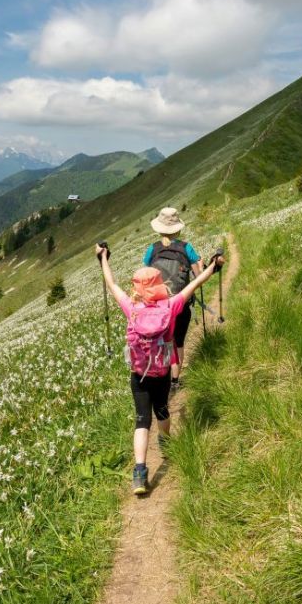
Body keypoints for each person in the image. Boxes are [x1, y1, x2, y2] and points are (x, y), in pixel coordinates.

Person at [96, 242, 223, 495]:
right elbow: (194, 285)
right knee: (162, 411)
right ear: (159, 285)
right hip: (162, 374)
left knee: (142, 420)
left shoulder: (131, 308)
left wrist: (103, 258)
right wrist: (214, 265)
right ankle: (165, 443)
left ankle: (140, 471)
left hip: (138, 376)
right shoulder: (170, 306)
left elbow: (111, 285)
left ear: (137, 289)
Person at [143, 207, 203, 390]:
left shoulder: (152, 250)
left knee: (163, 340)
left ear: (159, 229)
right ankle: (175, 381)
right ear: (178, 229)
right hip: (181, 304)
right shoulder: (187, 248)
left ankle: (161, 376)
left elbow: (146, 276)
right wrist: (201, 266)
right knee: (179, 341)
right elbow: (198, 277)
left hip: (158, 305)